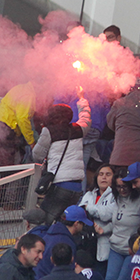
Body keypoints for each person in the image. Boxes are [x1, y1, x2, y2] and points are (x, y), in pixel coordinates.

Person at [33, 94, 91, 222]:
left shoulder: (49, 131)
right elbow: (86, 118)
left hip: (59, 184)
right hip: (77, 187)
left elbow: (37, 154)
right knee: (66, 222)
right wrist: (83, 102)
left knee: (46, 219)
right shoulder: (78, 129)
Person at [0, 81, 40, 166]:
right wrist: (31, 142)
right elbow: (22, 118)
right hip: (4, 130)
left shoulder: (19, 88)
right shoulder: (29, 94)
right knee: (3, 165)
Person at [105, 172, 140, 280]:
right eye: (119, 187)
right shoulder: (117, 199)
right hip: (115, 248)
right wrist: (104, 229)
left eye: (125, 186)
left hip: (131, 250)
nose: (122, 190)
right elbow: (117, 222)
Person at [35, 205, 92, 279]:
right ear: (76, 224)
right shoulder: (66, 243)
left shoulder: (50, 234)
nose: (83, 226)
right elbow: (66, 274)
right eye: (83, 223)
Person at [79, 164, 117, 266]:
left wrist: (88, 207)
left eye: (108, 174)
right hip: (87, 243)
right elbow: (80, 212)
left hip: (105, 245)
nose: (104, 177)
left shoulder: (116, 196)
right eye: (101, 174)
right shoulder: (89, 194)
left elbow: (106, 214)